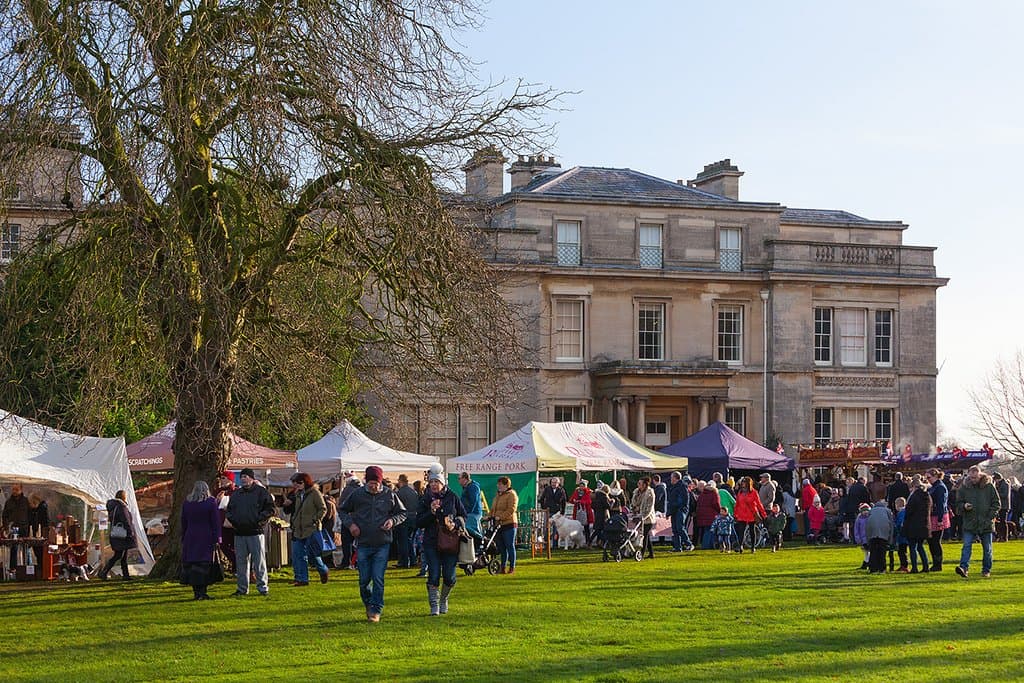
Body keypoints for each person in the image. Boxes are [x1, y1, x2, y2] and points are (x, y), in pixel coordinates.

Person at [338, 465, 407, 622]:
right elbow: (342, 510)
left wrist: (392, 521)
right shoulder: (357, 495)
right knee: (364, 580)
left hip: (382, 543)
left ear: (380, 482)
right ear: (366, 481)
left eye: (376, 483)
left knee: (377, 578)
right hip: (363, 543)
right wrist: (351, 524)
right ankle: (369, 604)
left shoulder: (389, 495)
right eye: (371, 483)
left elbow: (402, 513)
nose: (373, 487)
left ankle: (376, 609)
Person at [416, 470, 466, 616]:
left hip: (450, 541)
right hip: (431, 541)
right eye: (431, 482)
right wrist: (431, 512)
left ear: (442, 483)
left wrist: (455, 524)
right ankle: (434, 605)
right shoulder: (425, 499)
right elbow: (418, 522)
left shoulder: (452, 496)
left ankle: (444, 598)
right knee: (434, 574)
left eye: (436, 482)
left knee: (449, 576)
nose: (433, 485)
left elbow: (463, 515)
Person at [225, 467, 275, 596]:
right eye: (241, 477)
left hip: (255, 532)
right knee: (241, 562)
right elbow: (229, 511)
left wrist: (258, 520)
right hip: (240, 532)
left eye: (245, 477)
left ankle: (263, 587)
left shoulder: (261, 492)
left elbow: (270, 509)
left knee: (259, 562)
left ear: (252, 478)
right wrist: (235, 522)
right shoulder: (237, 494)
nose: (243, 479)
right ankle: (242, 588)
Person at [955, 465, 1000, 579]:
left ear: (980, 475)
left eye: (975, 477)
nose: (973, 480)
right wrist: (964, 506)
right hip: (970, 521)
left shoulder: (989, 487)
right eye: (971, 477)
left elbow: (996, 503)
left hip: (986, 522)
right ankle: (963, 568)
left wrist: (989, 517)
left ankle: (986, 570)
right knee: (966, 546)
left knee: (987, 548)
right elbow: (958, 503)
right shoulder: (964, 487)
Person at [180, 480, 222, 600]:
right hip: (206, 536)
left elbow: (183, 521)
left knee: (192, 563)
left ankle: (196, 592)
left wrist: (184, 535)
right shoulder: (211, 502)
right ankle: (202, 592)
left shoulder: (187, 503)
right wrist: (218, 538)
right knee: (204, 564)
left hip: (191, 535)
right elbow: (215, 521)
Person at [286, 472, 329, 587]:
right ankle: (302, 579)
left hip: (311, 529)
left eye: (300, 482)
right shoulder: (297, 494)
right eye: (296, 482)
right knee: (298, 555)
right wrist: (294, 522)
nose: (297, 484)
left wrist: (314, 520)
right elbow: (296, 511)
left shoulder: (315, 493)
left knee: (313, 555)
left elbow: (323, 509)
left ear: (306, 482)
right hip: (298, 529)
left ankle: (323, 570)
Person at [98, 490, 136, 580]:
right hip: (123, 534)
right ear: (124, 497)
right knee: (119, 555)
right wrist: (130, 532)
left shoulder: (113, 507)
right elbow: (126, 520)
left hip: (116, 533)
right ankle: (104, 572)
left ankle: (125, 574)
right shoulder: (121, 507)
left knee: (122, 555)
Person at [903, 474, 932, 574]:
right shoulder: (928, 497)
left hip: (913, 525)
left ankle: (914, 567)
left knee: (912, 547)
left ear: (914, 487)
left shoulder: (914, 497)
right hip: (924, 525)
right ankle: (926, 566)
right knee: (920, 546)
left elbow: (909, 511)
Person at [490, 476, 519, 574]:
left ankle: (512, 567)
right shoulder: (497, 496)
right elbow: (493, 509)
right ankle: (502, 567)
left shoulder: (512, 495)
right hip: (499, 525)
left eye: (500, 484)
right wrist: (489, 516)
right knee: (501, 547)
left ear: (506, 485)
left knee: (509, 545)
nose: (498, 486)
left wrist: (500, 517)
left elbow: (511, 509)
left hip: (509, 524)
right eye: (498, 484)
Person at [733, 476, 767, 553]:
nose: (743, 483)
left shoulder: (754, 492)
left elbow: (759, 504)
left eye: (744, 482)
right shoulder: (740, 492)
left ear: (748, 483)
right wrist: (735, 514)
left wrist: (763, 514)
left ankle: (753, 547)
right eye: (742, 482)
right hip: (741, 513)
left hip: (751, 514)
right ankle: (740, 546)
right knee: (741, 531)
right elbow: (737, 504)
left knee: (752, 530)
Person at [336, 474, 363, 569]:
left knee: (347, 542)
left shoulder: (348, 489)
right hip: (360, 519)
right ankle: (356, 561)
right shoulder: (362, 489)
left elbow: (341, 505)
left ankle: (347, 561)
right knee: (359, 543)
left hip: (348, 519)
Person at [395, 474, 421, 569]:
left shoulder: (399, 493)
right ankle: (413, 560)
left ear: (400, 481)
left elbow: (396, 507)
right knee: (409, 540)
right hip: (413, 518)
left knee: (403, 541)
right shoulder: (413, 492)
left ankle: (404, 561)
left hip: (403, 519)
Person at [925, 468, 949, 571]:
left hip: (938, 516)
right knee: (931, 541)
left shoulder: (940, 487)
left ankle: (938, 564)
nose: (927, 479)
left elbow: (941, 504)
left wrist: (940, 519)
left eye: (929, 477)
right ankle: (935, 563)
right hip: (933, 515)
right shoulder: (934, 487)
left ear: (935, 476)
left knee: (935, 541)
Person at [865, 500, 894, 573]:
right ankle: (882, 568)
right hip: (884, 532)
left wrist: (868, 539)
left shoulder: (871, 511)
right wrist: (890, 540)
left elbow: (867, 525)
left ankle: (873, 568)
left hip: (872, 532)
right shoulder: (887, 511)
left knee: (873, 551)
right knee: (882, 551)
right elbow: (891, 525)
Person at [667, 472, 693, 552]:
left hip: (680, 509)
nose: (671, 479)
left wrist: (673, 508)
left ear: (675, 478)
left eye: (672, 478)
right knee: (675, 529)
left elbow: (681, 501)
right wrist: (669, 512)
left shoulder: (682, 486)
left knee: (680, 528)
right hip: (675, 510)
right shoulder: (674, 487)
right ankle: (677, 547)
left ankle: (689, 544)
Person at [631, 477, 656, 558]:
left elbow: (649, 508)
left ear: (645, 485)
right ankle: (651, 554)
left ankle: (641, 554)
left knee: (644, 535)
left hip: (648, 519)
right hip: (638, 517)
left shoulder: (650, 493)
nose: (638, 485)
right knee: (646, 536)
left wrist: (643, 517)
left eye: (640, 483)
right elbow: (634, 504)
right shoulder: (636, 492)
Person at [458, 472, 483, 544]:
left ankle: (479, 544)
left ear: (464, 479)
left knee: (472, 531)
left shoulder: (473, 487)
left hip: (473, 514)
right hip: (469, 513)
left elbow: (473, 501)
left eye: (459, 478)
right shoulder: (467, 487)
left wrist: (467, 513)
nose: (458, 481)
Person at [695, 481, 720, 548]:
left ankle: (709, 545)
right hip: (712, 515)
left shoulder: (702, 494)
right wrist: (719, 511)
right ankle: (706, 545)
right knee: (709, 531)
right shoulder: (714, 494)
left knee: (707, 530)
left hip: (702, 515)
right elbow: (716, 504)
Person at [569, 480, 594, 546]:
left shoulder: (588, 492)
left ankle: (588, 542)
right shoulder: (576, 492)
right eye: (580, 486)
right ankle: (575, 543)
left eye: (583, 486)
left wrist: (581, 502)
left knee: (586, 528)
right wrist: (574, 501)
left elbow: (589, 501)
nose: (581, 487)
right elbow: (571, 500)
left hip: (586, 512)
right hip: (577, 511)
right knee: (576, 528)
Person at [26, 493, 50, 563]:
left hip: (41, 535)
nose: (29, 505)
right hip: (35, 533)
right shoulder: (33, 510)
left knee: (40, 554)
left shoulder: (42, 509)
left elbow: (45, 522)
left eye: (30, 503)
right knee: (37, 554)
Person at [591, 482, 611, 547]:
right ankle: (590, 542)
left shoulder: (596, 495)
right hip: (603, 514)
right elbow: (607, 506)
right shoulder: (604, 497)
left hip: (597, 513)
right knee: (599, 530)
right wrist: (611, 502)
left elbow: (592, 505)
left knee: (598, 529)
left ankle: (598, 542)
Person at [992, 472, 1011, 542]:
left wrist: (996, 494)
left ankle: (1005, 537)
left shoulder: (1005, 484)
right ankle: (1000, 536)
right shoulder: (999, 484)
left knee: (1003, 522)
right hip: (1000, 506)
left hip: (1004, 506)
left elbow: (1005, 495)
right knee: (999, 522)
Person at [893, 497, 909, 572]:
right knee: (903, 551)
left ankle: (904, 565)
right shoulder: (905, 512)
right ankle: (903, 565)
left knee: (902, 551)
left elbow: (899, 523)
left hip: (902, 536)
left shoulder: (901, 513)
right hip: (904, 535)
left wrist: (896, 527)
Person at [853, 502, 871, 568]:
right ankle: (866, 562)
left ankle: (866, 563)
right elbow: (856, 529)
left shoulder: (870, 518)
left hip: (870, 538)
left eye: (867, 510)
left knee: (869, 551)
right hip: (863, 539)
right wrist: (858, 538)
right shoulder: (859, 519)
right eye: (864, 511)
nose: (865, 512)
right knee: (866, 551)